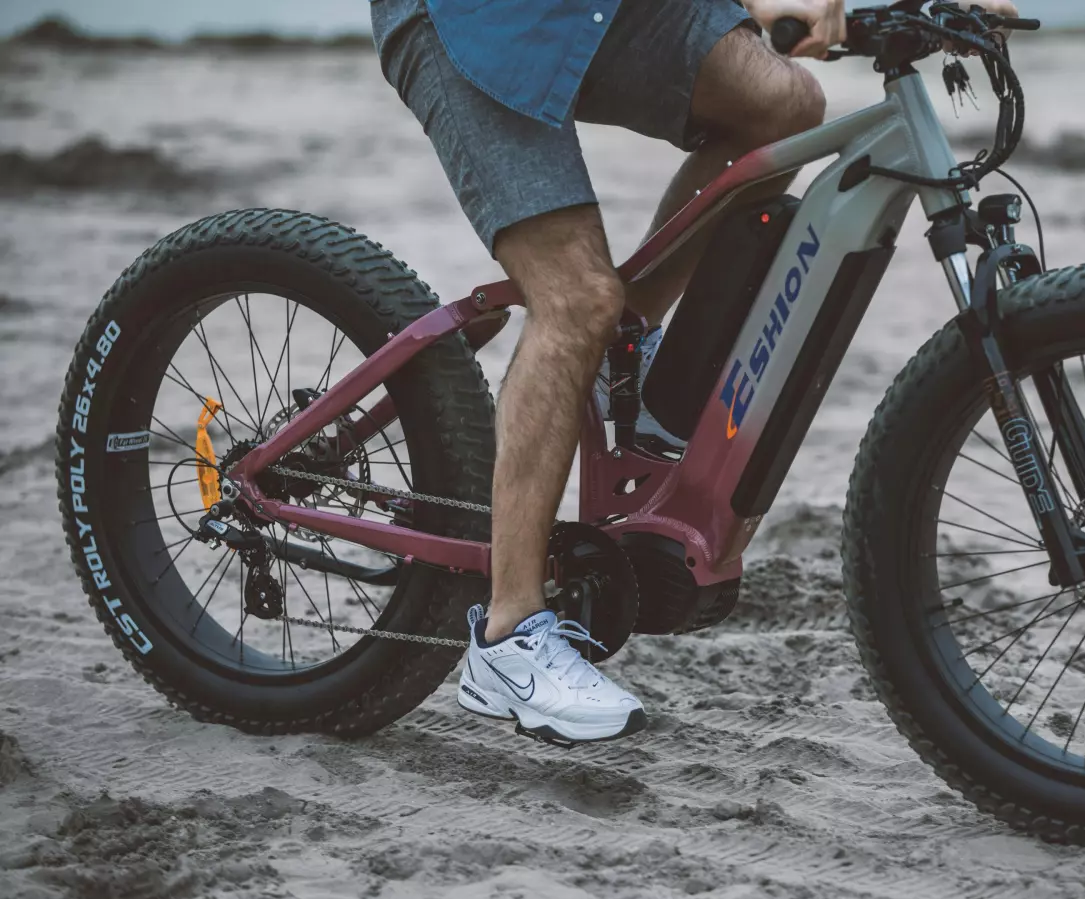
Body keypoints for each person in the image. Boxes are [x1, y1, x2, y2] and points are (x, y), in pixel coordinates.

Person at [369, 0, 1018, 743]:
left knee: (785, 105)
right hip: (475, 24)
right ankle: (510, 637)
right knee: (575, 299)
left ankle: (625, 355)